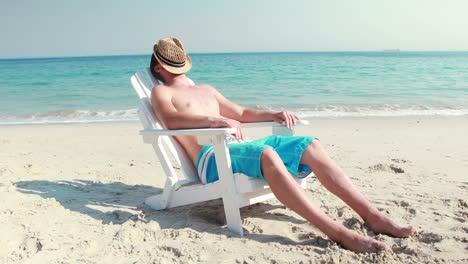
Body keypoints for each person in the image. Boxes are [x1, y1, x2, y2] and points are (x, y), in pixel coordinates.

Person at [149, 37, 416, 253]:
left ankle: (373, 217)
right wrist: (212, 119)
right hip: (212, 157)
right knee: (266, 153)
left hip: (238, 147)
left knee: (310, 145)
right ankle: (340, 233)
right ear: (159, 68)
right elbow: (170, 120)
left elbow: (241, 113)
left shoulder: (207, 89)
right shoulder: (162, 91)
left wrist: (272, 114)